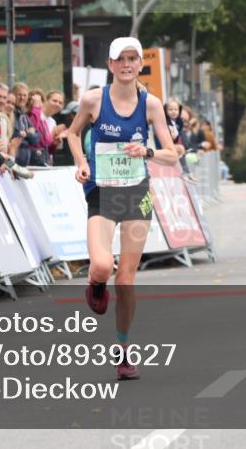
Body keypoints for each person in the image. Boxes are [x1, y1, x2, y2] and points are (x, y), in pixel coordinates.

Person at [66, 37, 177, 381]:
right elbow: (71, 134)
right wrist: (81, 161)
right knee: (102, 265)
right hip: (102, 192)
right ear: (111, 64)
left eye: (133, 59)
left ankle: (123, 351)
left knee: (126, 279)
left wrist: (146, 153)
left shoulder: (152, 105)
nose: (127, 65)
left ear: (139, 64)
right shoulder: (94, 99)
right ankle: (96, 284)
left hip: (136, 195)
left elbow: (172, 155)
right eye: (121, 59)